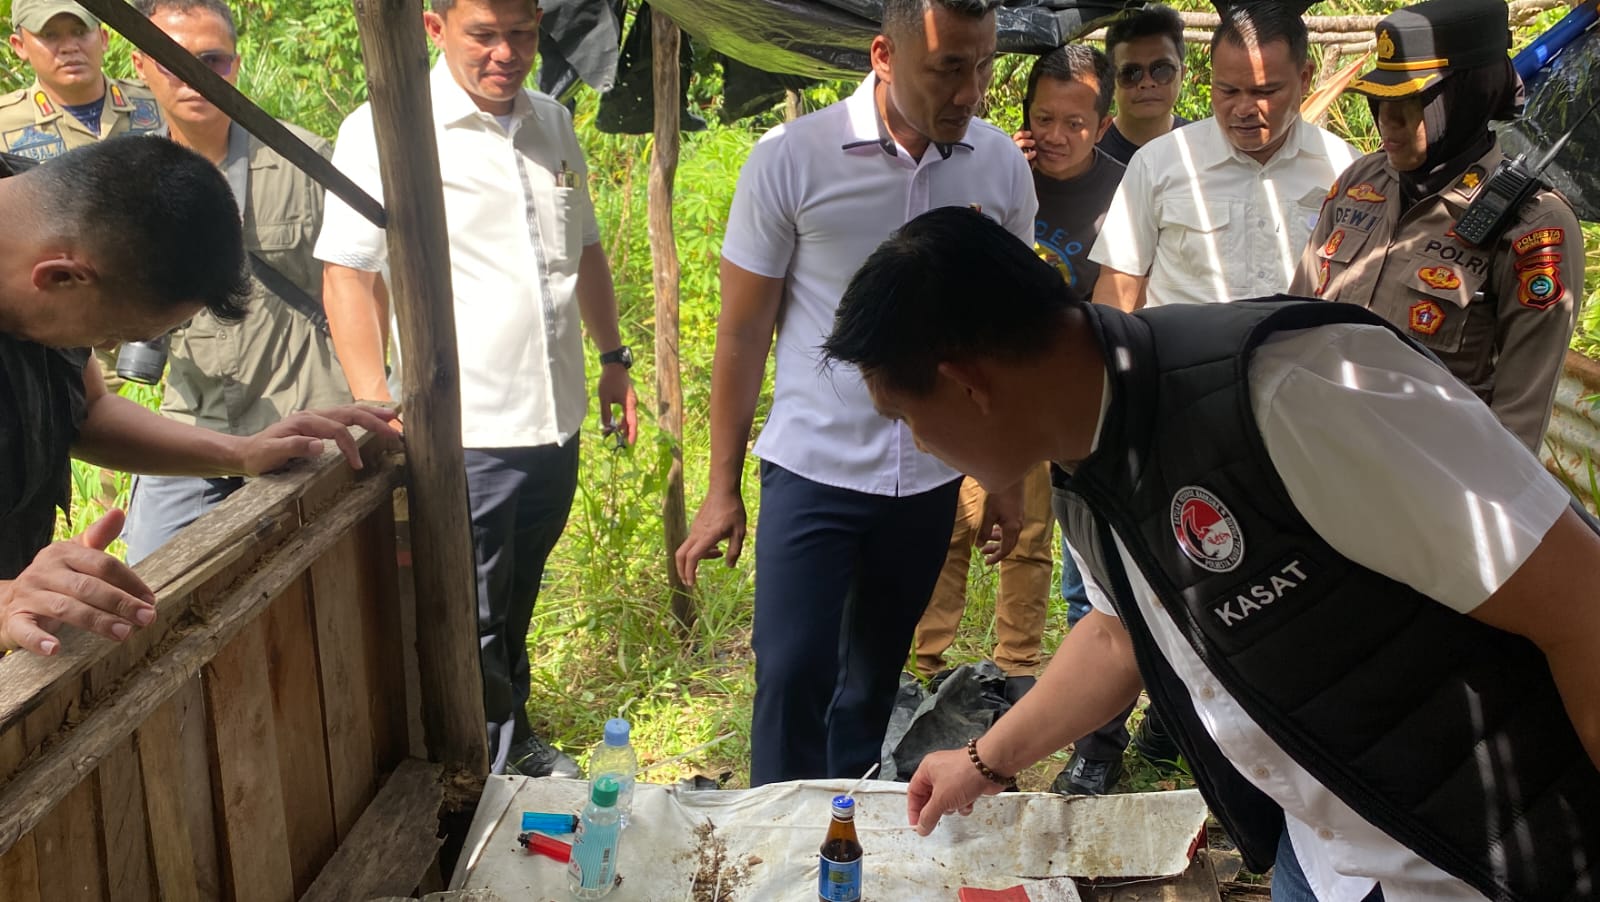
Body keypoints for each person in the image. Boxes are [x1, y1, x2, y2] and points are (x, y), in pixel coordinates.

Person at [824, 205, 1600, 902]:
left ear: (967, 385)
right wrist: (984, 762)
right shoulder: (1080, 457)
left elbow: (1583, 601)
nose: (916, 445)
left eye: (905, 417)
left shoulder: (1294, 390)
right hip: (1330, 856)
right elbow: (1120, 632)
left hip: (1489, 859)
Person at [674, 0, 1034, 786]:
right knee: (792, 671)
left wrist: (1004, 477)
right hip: (814, 467)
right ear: (883, 55)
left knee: (873, 679)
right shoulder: (793, 159)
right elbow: (740, 332)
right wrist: (719, 487)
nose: (970, 91)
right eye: (948, 68)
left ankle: (845, 835)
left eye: (982, 66)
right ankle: (775, 837)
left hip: (929, 477)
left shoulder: (998, 166)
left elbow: (1009, 338)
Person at [314, 0, 638, 778]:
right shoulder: (388, 128)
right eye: (483, 35)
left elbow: (584, 249)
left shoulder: (552, 122)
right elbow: (348, 274)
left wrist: (614, 357)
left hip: (554, 420)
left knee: (515, 600)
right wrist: (380, 404)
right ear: (435, 29)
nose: (506, 53)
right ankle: (484, 765)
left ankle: (509, 731)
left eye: (521, 34)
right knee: (473, 611)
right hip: (468, 429)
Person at [0, 135, 397, 657]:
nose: (105, 348)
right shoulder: (58, 227)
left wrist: (241, 451)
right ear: (60, 276)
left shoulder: (57, 213)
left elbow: (88, 411)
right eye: (112, 332)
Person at [917, 45, 1121, 705]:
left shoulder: (1120, 190)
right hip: (967, 372)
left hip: (1042, 384)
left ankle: (1018, 665)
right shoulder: (995, 168)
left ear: (1102, 121)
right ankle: (927, 664)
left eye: (1076, 123)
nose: (1057, 136)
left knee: (1028, 530)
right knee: (947, 521)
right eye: (1045, 118)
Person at [1290, 0, 1582, 453]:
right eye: (1381, 100)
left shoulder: (1532, 226)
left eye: (1411, 103)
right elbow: (1293, 327)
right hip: (1314, 460)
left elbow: (1515, 432)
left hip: (1423, 496)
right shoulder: (1358, 183)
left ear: (1467, 96)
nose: (1388, 121)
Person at [119, 0, 352, 563]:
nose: (195, 76)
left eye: (212, 60)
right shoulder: (126, 181)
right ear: (141, 65)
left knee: (313, 583)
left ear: (236, 65)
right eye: (173, 62)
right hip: (194, 422)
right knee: (151, 580)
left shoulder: (307, 162)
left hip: (305, 413)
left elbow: (366, 286)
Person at [1090, 3, 1358, 311]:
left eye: (1265, 92)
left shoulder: (1344, 169)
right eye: (1228, 91)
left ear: (1305, 77)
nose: (1243, 109)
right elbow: (1118, 286)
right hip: (1184, 358)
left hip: (1303, 356)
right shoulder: (1158, 163)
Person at [1, 0, 167, 392]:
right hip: (62, 336)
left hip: (159, 325)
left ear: (104, 38)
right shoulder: (6, 124)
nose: (69, 47)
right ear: (19, 46)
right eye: (50, 35)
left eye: (80, 32)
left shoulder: (157, 105)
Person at [1097, 3, 1190, 165]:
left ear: (1182, 74)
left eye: (1162, 70)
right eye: (1131, 73)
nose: (1147, 83)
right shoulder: (1087, 153)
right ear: (1110, 80)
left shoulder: (1200, 145)